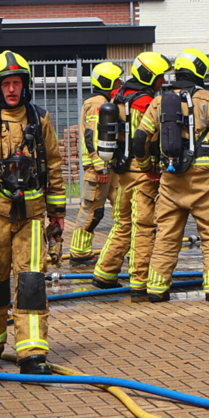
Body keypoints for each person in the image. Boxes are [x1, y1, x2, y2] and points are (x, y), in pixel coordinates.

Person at [0, 50, 66, 375]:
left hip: (31, 216)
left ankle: (32, 353)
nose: (12, 89)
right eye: (6, 83)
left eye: (17, 82)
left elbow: (55, 167)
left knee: (32, 282)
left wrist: (57, 213)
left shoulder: (39, 119)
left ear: (25, 83)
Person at [132, 48, 209, 303]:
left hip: (171, 179)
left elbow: (140, 140)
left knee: (166, 236)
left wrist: (147, 166)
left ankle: (156, 289)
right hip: (206, 180)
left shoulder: (159, 101)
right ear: (199, 72)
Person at [92, 52, 171, 293]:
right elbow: (149, 137)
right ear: (149, 76)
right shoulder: (145, 103)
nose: (164, 82)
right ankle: (141, 279)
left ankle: (105, 272)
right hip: (142, 171)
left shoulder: (119, 97)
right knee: (144, 225)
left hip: (122, 170)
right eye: (160, 77)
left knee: (122, 222)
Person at [68, 61, 124, 265]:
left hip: (110, 166)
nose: (120, 83)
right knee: (92, 209)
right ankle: (79, 252)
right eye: (117, 80)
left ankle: (119, 247)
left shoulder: (105, 100)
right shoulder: (97, 103)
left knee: (122, 207)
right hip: (99, 168)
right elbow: (93, 135)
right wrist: (100, 166)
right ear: (107, 81)